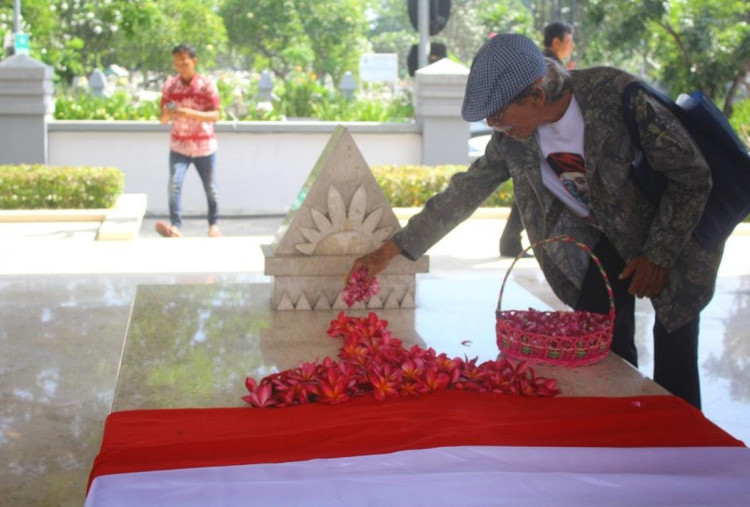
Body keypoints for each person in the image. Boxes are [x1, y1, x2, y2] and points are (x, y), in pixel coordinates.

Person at [348, 33, 722, 409]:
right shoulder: (515, 137)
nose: (494, 125)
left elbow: (692, 176)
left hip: (676, 232)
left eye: (498, 114)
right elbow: (467, 190)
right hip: (609, 237)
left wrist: (658, 254)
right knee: (598, 338)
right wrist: (393, 248)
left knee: (675, 342)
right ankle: (616, 424)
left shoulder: (615, 96)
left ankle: (686, 445)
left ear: (536, 97)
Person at [499, 21, 575, 257]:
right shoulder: (546, 68)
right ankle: (511, 241)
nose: (572, 47)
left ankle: (511, 241)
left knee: (528, 191)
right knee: (530, 190)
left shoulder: (546, 65)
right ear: (557, 42)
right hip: (531, 140)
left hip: (533, 143)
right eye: (570, 41)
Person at [155, 43, 221, 238]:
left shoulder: (207, 85)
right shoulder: (170, 86)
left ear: (194, 61)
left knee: (210, 187)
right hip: (179, 145)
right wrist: (167, 112)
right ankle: (175, 226)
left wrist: (189, 113)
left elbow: (215, 115)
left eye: (184, 61)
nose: (181, 65)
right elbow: (163, 120)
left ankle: (213, 225)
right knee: (174, 184)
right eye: (177, 62)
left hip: (204, 146)